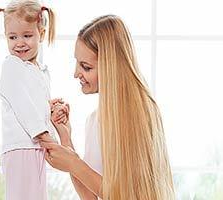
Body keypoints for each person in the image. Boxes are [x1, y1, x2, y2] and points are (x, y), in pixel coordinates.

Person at [42, 15, 175, 200]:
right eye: (77, 63)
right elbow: (90, 196)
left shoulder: (142, 115)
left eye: (86, 67)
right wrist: (66, 137)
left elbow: (126, 195)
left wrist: (74, 163)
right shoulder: (94, 120)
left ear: (110, 67)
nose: (75, 73)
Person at [0, 0, 63, 199]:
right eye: (13, 37)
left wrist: (51, 109)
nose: (19, 43)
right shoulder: (12, 66)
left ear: (42, 34)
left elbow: (35, 106)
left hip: (35, 146)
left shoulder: (39, 71)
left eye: (27, 36)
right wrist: (48, 138)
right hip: (22, 147)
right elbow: (24, 106)